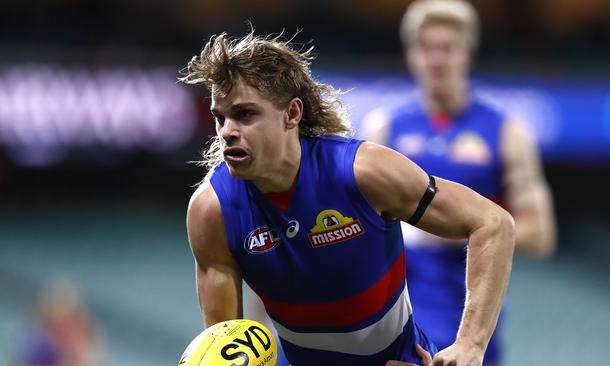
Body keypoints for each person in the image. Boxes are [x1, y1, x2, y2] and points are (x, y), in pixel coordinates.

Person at [180, 29, 515, 366]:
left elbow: (492, 222)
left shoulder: (363, 172)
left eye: (245, 114)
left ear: (292, 114)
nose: (226, 131)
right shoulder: (212, 211)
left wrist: (471, 344)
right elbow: (225, 348)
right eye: (220, 117)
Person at [361, 1, 557, 365]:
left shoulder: (506, 132)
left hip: (470, 318)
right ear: (411, 55)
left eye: (447, 48)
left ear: (467, 54)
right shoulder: (384, 129)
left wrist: (460, 228)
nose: (436, 60)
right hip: (402, 313)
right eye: (426, 48)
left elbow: (540, 234)